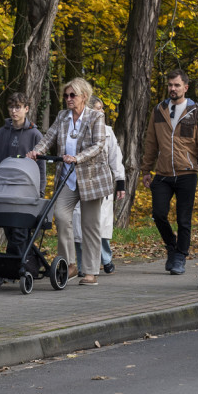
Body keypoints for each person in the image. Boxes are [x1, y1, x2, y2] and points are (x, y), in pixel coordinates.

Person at [27, 78, 113, 286]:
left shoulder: (95, 117)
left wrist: (78, 157)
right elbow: (49, 137)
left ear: (84, 96)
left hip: (91, 178)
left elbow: (99, 145)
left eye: (72, 95)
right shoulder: (63, 116)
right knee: (61, 216)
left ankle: (91, 271)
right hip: (68, 177)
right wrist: (37, 151)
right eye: (66, 96)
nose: (68, 99)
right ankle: (70, 264)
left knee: (90, 225)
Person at [141, 69, 198, 275]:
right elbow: (151, 141)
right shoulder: (159, 110)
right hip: (163, 173)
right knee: (158, 214)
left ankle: (180, 257)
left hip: (187, 172)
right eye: (170, 85)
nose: (173, 89)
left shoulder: (197, 111)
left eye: (177, 85)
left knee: (183, 218)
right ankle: (171, 246)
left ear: (186, 87)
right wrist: (146, 170)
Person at [0, 92, 45, 257]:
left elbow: (41, 167)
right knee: (9, 230)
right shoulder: (1, 134)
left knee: (20, 231)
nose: (14, 111)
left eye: (18, 107)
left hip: (25, 192)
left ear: (26, 109)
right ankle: (18, 264)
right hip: (3, 191)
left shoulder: (35, 135)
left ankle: (18, 265)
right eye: (11, 107)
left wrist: (40, 191)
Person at [74, 98, 126, 273]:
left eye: (103, 108)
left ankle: (105, 258)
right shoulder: (76, 130)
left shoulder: (108, 132)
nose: (102, 112)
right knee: (79, 229)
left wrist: (120, 182)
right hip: (80, 182)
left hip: (100, 182)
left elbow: (115, 158)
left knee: (100, 226)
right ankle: (83, 267)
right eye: (98, 109)